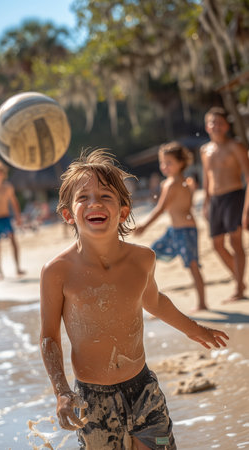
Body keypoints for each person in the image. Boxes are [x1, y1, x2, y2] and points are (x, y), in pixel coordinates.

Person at [40, 149, 228, 450]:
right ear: (68, 214)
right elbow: (49, 337)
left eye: (105, 196)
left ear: (123, 211)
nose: (95, 203)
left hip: (142, 388)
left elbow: (155, 301)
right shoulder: (57, 271)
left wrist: (194, 328)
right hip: (92, 399)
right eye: (83, 198)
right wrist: (62, 392)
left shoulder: (142, 259)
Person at [135, 142, 207, 311]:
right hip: (175, 230)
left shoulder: (172, 184)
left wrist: (144, 226)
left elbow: (160, 209)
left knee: (193, 265)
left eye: (169, 162)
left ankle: (202, 303)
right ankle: (150, 302)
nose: (164, 166)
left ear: (181, 163)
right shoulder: (185, 181)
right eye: (162, 162)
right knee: (152, 256)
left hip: (185, 230)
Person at [200, 106, 249, 301]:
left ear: (226, 126)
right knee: (217, 244)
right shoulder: (205, 150)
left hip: (234, 195)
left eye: (220, 123)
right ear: (207, 127)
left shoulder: (235, 146)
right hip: (215, 200)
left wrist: (247, 208)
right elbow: (206, 178)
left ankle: (238, 288)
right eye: (213, 123)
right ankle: (240, 279)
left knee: (235, 242)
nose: (216, 126)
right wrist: (205, 203)